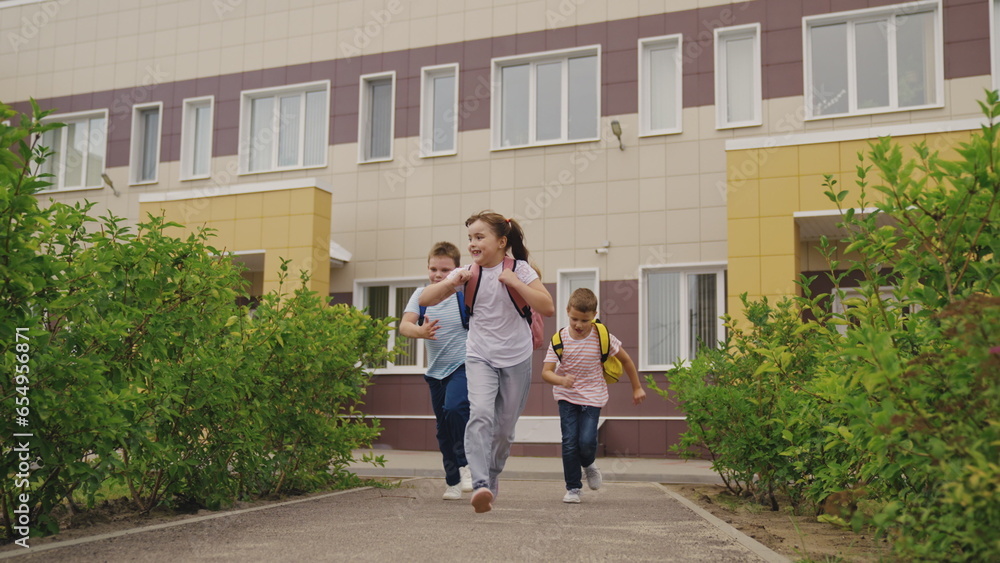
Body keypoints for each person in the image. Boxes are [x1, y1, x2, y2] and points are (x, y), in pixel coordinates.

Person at [419, 211, 555, 513]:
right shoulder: (468, 272)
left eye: (479, 237)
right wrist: (451, 283)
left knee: (504, 429)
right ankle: (479, 484)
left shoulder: (520, 269)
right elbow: (425, 299)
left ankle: (492, 476)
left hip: (516, 359)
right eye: (470, 238)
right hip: (479, 356)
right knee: (479, 414)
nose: (472, 244)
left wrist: (516, 283)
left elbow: (547, 306)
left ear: (501, 241)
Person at [541, 288, 646, 503]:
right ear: (567, 311)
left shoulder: (602, 336)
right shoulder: (559, 339)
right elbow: (546, 372)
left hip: (592, 397)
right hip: (566, 396)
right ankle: (573, 488)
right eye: (574, 319)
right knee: (569, 442)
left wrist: (636, 387)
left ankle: (588, 463)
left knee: (587, 442)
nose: (579, 325)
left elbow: (626, 361)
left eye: (585, 320)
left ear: (594, 316)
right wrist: (562, 380)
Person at [398, 242, 473, 500]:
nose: (438, 275)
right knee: (443, 430)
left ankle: (467, 464)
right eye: (433, 269)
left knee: (455, 408)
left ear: (457, 270)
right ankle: (452, 481)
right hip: (435, 373)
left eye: (445, 270)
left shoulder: (464, 295)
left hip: (462, 366)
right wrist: (420, 331)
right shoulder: (421, 296)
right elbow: (404, 326)